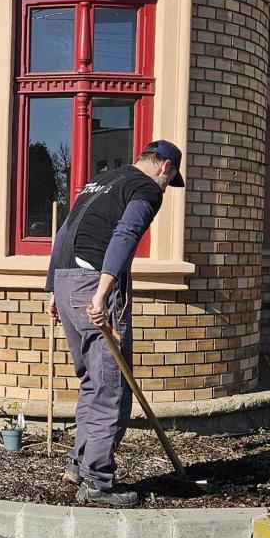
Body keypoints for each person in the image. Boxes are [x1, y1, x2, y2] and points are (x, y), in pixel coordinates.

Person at [47, 140, 184, 507]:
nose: (166, 187)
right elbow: (126, 234)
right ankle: (97, 482)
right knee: (112, 386)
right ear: (164, 167)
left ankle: (78, 464)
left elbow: (64, 232)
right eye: (170, 179)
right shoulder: (146, 189)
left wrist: (53, 289)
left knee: (92, 380)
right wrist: (102, 292)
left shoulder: (101, 180)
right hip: (93, 285)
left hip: (66, 281)